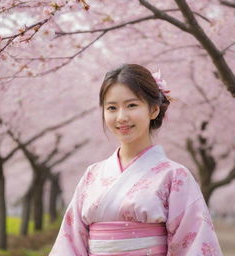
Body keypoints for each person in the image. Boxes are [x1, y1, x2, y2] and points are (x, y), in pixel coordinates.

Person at [49, 64, 223, 256]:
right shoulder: (92, 174)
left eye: (132, 105)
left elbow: (193, 244)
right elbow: (70, 242)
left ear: (153, 110)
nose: (121, 117)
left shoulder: (175, 176)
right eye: (112, 108)